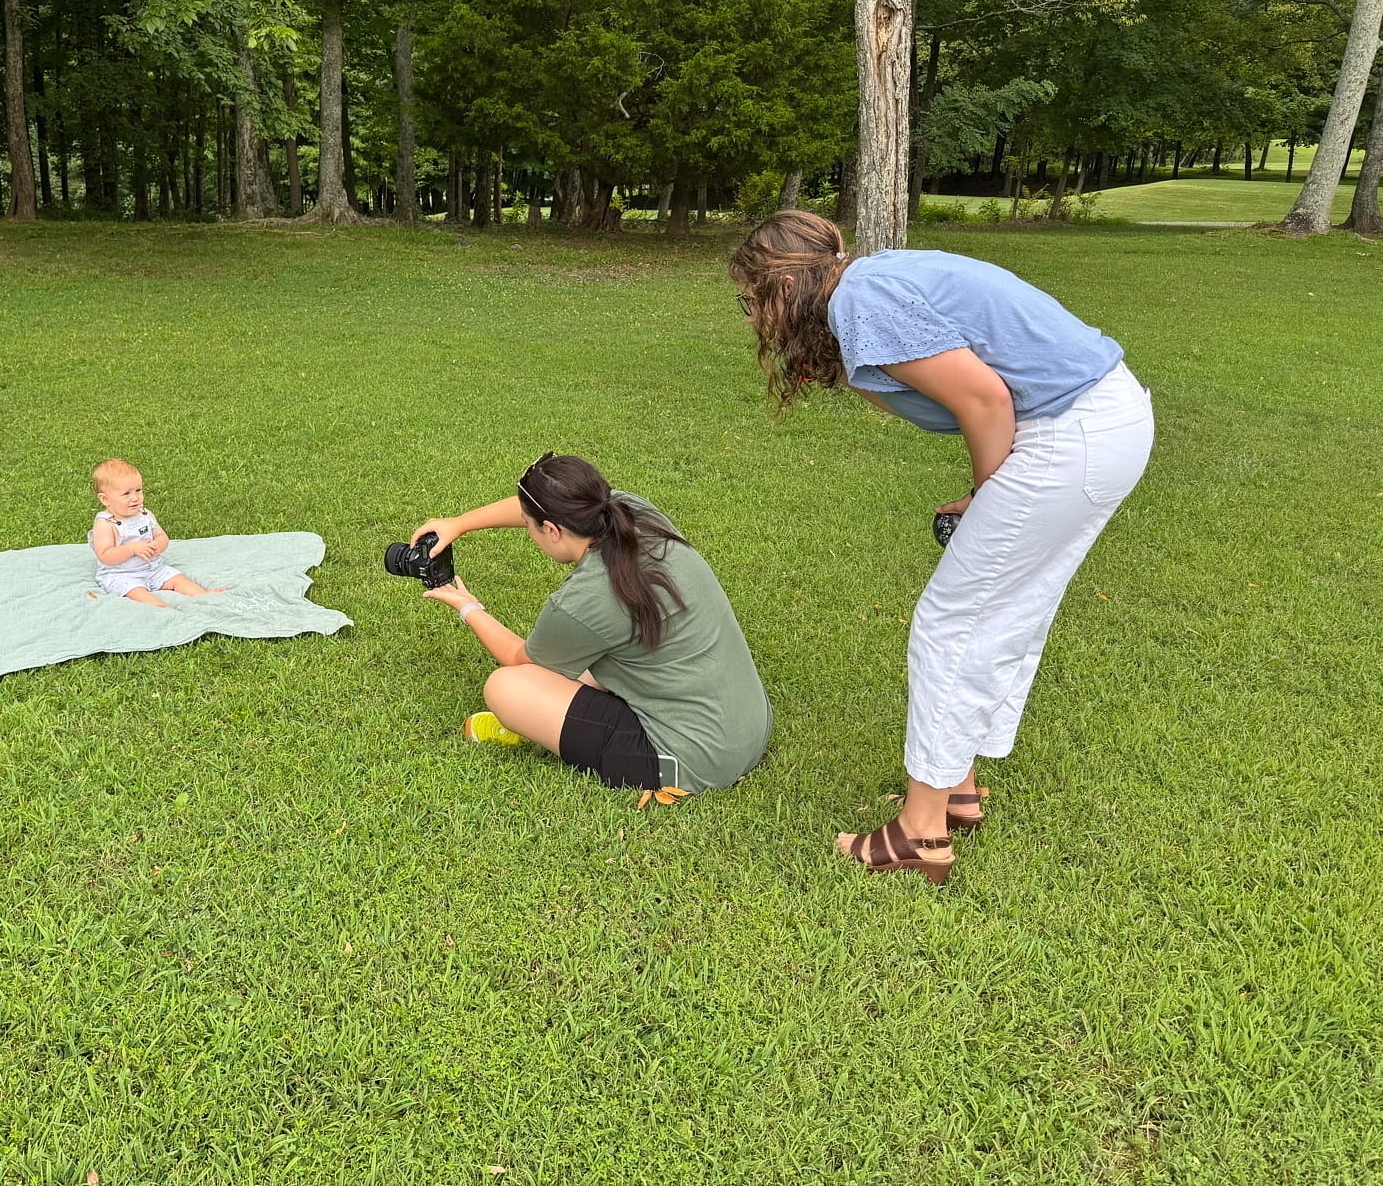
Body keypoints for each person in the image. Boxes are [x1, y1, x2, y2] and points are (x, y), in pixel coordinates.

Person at [730, 209, 1153, 883]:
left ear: (783, 285)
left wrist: (988, 496)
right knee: (1003, 611)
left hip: (1074, 434)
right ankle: (954, 788)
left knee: (951, 620)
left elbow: (985, 401)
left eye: (750, 301)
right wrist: (986, 494)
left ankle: (920, 833)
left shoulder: (862, 301)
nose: (751, 320)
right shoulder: (866, 288)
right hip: (1097, 424)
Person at [410, 453, 772, 794]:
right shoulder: (631, 511)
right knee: (580, 666)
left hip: (694, 762)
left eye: (530, 528)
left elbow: (522, 661)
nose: (529, 531)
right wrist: (459, 524)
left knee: (507, 687)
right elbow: (532, 509)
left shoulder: (586, 597)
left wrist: (469, 608)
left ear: (552, 530)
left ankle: (532, 723)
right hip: (750, 726)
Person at [89, 459, 223, 607]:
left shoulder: (145, 514)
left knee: (178, 579)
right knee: (136, 592)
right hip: (121, 574)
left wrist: (157, 545)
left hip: (152, 568)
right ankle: (160, 608)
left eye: (138, 490)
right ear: (105, 499)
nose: (135, 497)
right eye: (126, 494)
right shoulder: (106, 523)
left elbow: (162, 536)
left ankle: (202, 595)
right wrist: (132, 548)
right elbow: (105, 555)